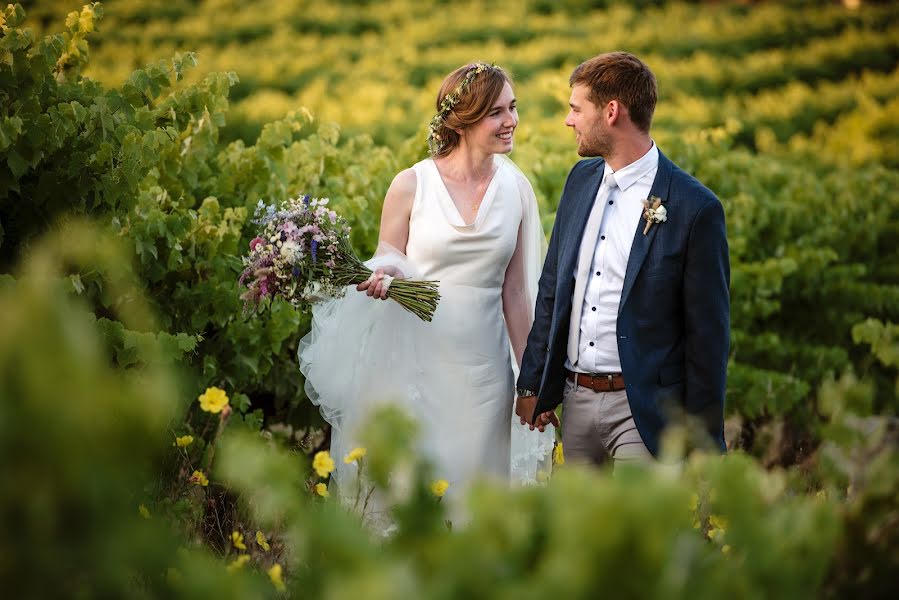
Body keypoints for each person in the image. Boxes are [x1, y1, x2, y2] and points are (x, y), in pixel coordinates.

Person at [299, 63, 554, 512]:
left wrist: (530, 380)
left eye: (513, 108)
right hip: (415, 368)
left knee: (478, 498)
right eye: (496, 112)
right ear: (462, 120)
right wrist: (385, 277)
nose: (511, 121)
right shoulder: (411, 185)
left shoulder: (517, 189)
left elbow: (516, 295)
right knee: (411, 493)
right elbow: (390, 259)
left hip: (486, 374)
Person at [515, 52, 729, 467]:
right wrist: (534, 385)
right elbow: (552, 289)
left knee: (642, 531)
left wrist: (704, 442)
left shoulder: (695, 208)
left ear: (612, 112)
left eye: (577, 109)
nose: (568, 120)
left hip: (645, 409)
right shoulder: (579, 181)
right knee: (575, 531)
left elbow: (708, 336)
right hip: (576, 401)